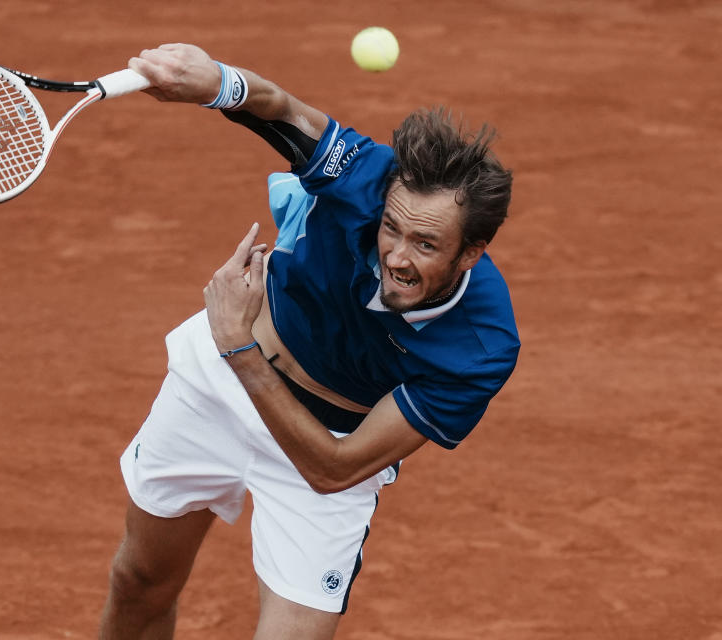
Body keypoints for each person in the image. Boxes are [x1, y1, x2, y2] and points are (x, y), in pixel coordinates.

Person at [98, 43, 519, 640]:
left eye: (425, 245)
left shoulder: (480, 347)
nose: (396, 256)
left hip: (324, 441)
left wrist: (237, 344)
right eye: (390, 230)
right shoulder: (368, 179)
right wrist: (214, 79)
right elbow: (281, 109)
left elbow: (333, 471)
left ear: (472, 252)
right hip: (212, 388)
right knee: (139, 580)